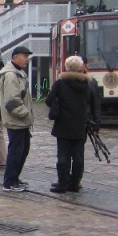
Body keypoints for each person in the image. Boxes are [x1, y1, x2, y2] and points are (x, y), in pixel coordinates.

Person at [47, 56, 91, 193]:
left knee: (63, 155)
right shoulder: (86, 84)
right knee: (77, 156)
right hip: (79, 124)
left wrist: (58, 105)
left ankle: (63, 183)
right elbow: (91, 102)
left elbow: (49, 100)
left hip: (63, 123)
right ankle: (74, 183)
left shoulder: (60, 83)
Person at [0, 46, 33, 192]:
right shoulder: (11, 75)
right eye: (24, 56)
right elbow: (12, 101)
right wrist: (25, 114)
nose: (27, 59)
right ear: (15, 57)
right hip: (16, 120)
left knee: (22, 150)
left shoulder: (19, 73)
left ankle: (14, 178)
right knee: (16, 152)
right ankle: (9, 182)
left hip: (21, 121)